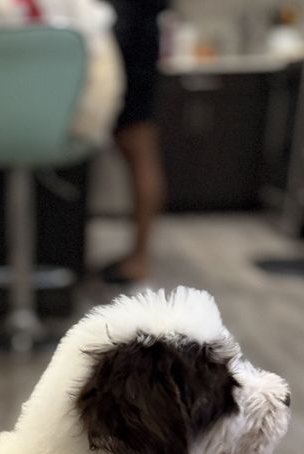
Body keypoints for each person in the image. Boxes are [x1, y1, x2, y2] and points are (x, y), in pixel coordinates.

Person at [101, 0, 166, 285]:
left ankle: (140, 258)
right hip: (134, 49)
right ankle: (139, 255)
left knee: (140, 152)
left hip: (130, 56)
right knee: (140, 154)